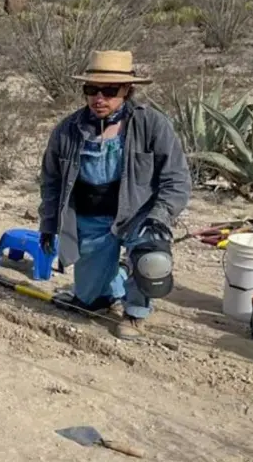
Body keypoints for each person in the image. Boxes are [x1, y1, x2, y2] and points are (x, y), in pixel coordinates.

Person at [37, 50, 191, 340]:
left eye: (109, 91)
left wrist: (160, 216)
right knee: (88, 302)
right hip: (91, 216)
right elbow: (51, 181)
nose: (99, 98)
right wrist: (48, 224)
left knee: (151, 259)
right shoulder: (68, 130)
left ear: (127, 91)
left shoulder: (152, 125)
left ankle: (135, 312)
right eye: (92, 90)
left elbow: (177, 179)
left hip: (140, 214)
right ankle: (111, 285)